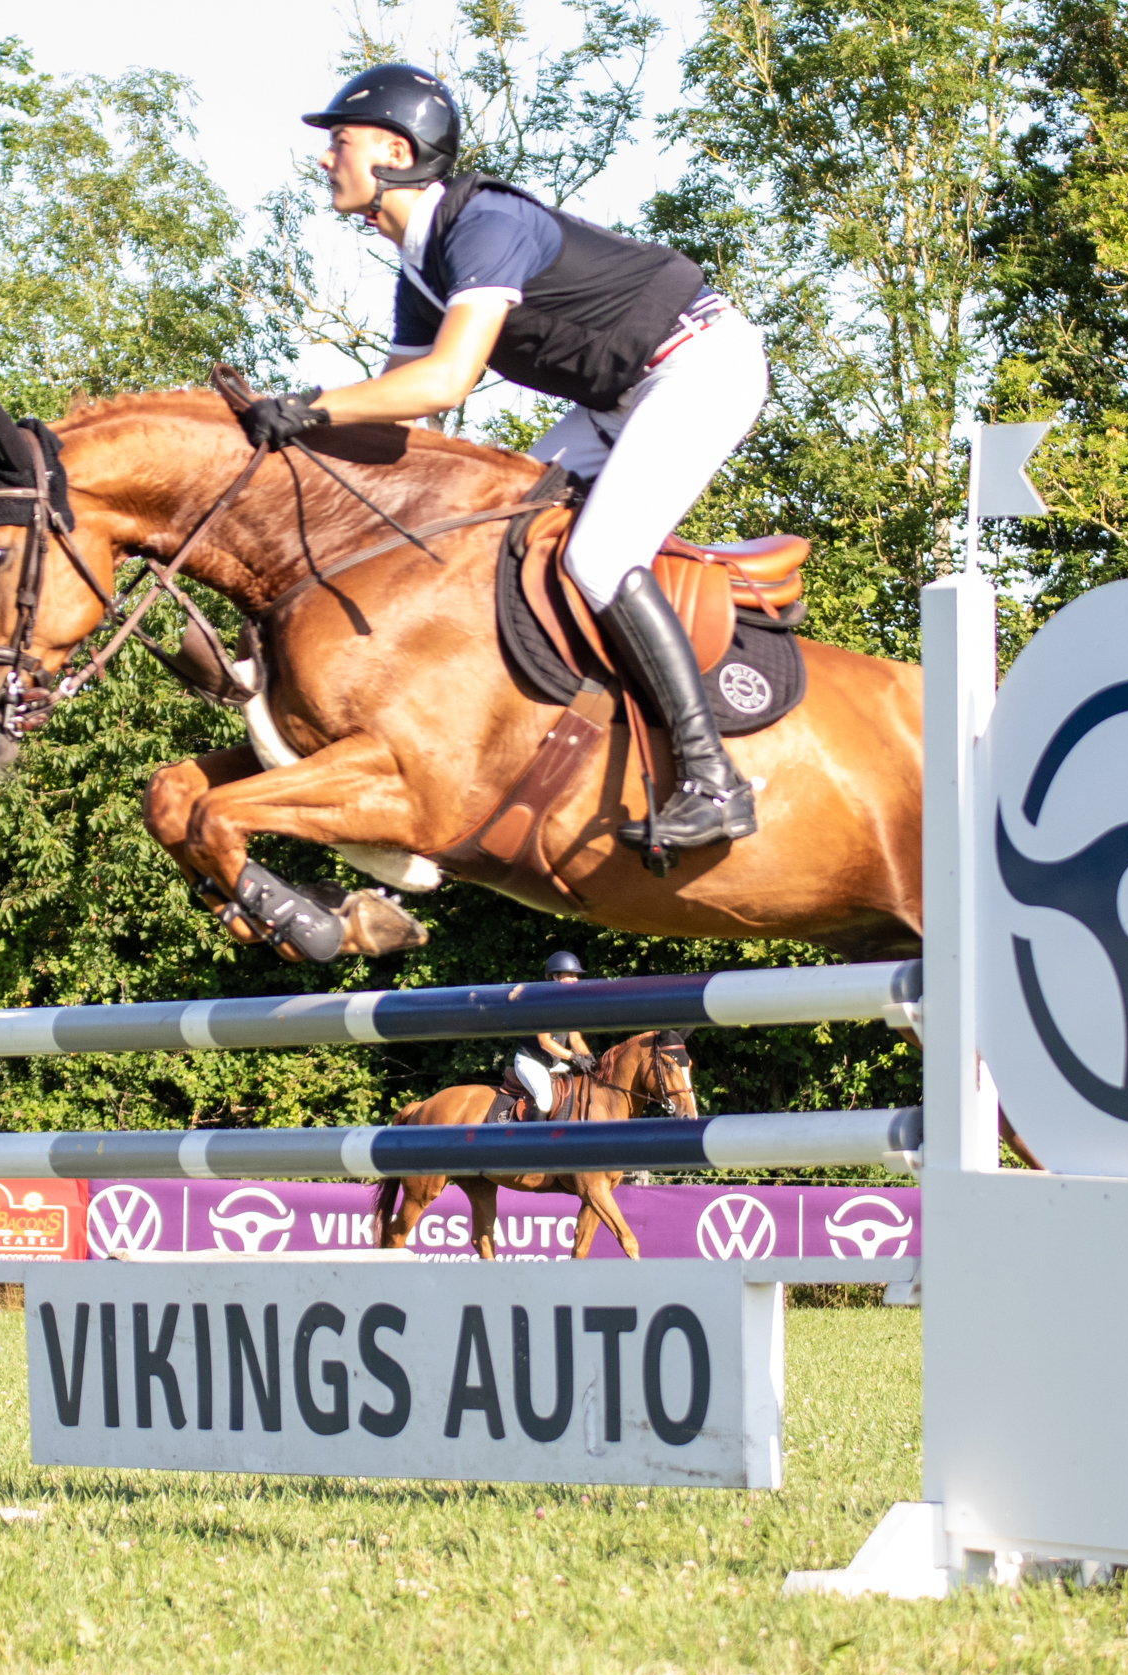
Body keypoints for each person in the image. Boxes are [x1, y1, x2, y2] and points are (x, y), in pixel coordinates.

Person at [238, 63, 770, 853]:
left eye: (340, 142)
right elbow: (402, 417)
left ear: (394, 152)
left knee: (598, 555)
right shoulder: (422, 265)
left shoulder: (484, 222)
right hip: (618, 398)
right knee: (493, 538)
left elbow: (446, 379)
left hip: (699, 367)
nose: (325, 158)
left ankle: (713, 780)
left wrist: (312, 405)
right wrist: (291, 452)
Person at [506, 950, 596, 1117]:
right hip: (530, 1061)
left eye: (576, 976)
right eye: (570, 975)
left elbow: (575, 1038)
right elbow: (545, 1042)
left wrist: (587, 1055)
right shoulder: (542, 1002)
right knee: (545, 1100)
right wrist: (573, 1057)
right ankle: (535, 1134)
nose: (575, 980)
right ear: (555, 976)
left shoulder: (571, 1003)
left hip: (552, 1063)